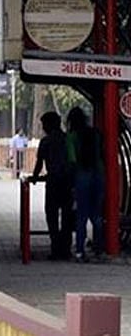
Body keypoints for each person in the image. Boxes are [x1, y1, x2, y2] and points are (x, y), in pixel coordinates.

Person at [32, 112, 73, 260]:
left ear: (50, 125)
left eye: (44, 125)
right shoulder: (68, 139)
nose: (43, 128)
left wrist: (35, 177)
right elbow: (73, 161)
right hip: (67, 182)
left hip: (53, 182)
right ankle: (66, 249)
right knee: (67, 215)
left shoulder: (46, 141)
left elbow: (39, 163)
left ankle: (56, 248)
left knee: (52, 215)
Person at [66, 107, 105, 262]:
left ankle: (80, 252)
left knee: (81, 216)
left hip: (82, 175)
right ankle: (98, 250)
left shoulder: (72, 136)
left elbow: (72, 160)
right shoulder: (95, 134)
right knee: (96, 216)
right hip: (99, 174)